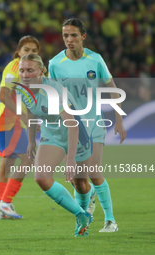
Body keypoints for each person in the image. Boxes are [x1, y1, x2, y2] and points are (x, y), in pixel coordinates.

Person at [48, 18, 127, 232]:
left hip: (93, 123)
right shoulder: (55, 64)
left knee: (93, 171)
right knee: (77, 180)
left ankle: (110, 220)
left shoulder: (96, 60)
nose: (69, 39)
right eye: (65, 35)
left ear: (83, 36)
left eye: (73, 35)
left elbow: (113, 89)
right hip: (70, 127)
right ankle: (84, 214)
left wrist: (119, 119)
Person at [15, 53, 93, 236]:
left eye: (30, 70)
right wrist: (31, 140)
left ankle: (87, 202)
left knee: (80, 183)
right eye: (22, 70)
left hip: (77, 131)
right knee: (41, 177)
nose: (25, 75)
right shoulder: (22, 89)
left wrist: (70, 158)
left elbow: (72, 125)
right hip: (52, 132)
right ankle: (81, 216)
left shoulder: (53, 92)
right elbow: (31, 112)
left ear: (41, 71)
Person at [0, 36, 40, 220]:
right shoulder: (15, 67)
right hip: (10, 121)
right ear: (18, 51)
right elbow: (2, 94)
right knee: (28, 159)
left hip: (13, 122)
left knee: (6, 165)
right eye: (26, 50)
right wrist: (24, 116)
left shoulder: (29, 71)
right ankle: (4, 202)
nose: (30, 53)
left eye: (34, 51)